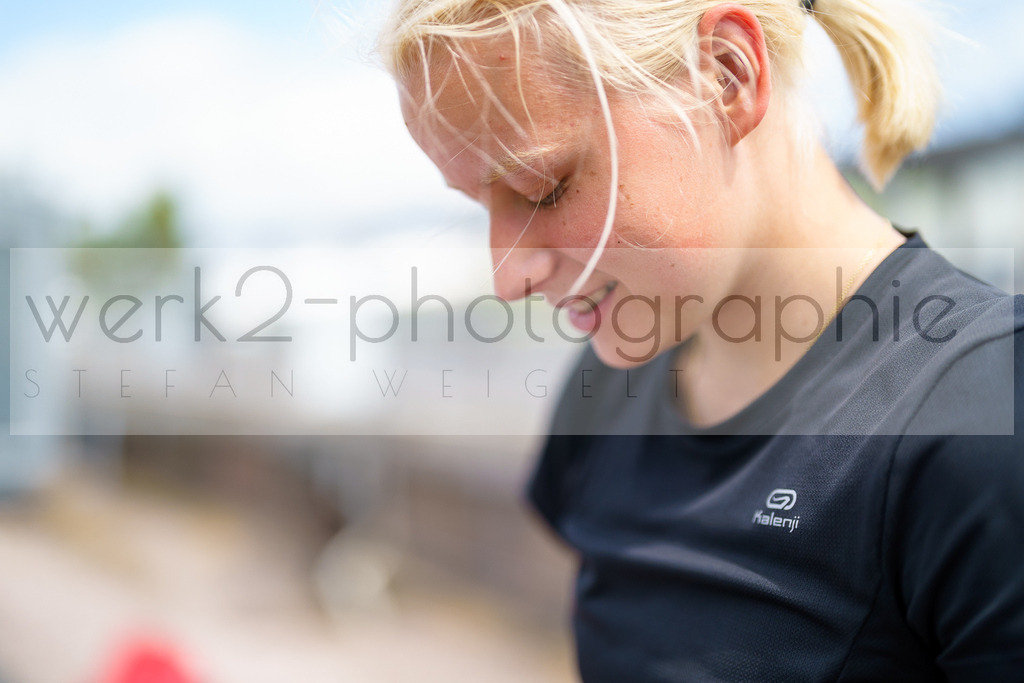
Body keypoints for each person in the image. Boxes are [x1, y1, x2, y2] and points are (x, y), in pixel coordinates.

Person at [378, 0, 1024, 679]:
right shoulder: (604, 396)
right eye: (481, 206)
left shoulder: (982, 420)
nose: (508, 276)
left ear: (726, 75)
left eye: (543, 189)